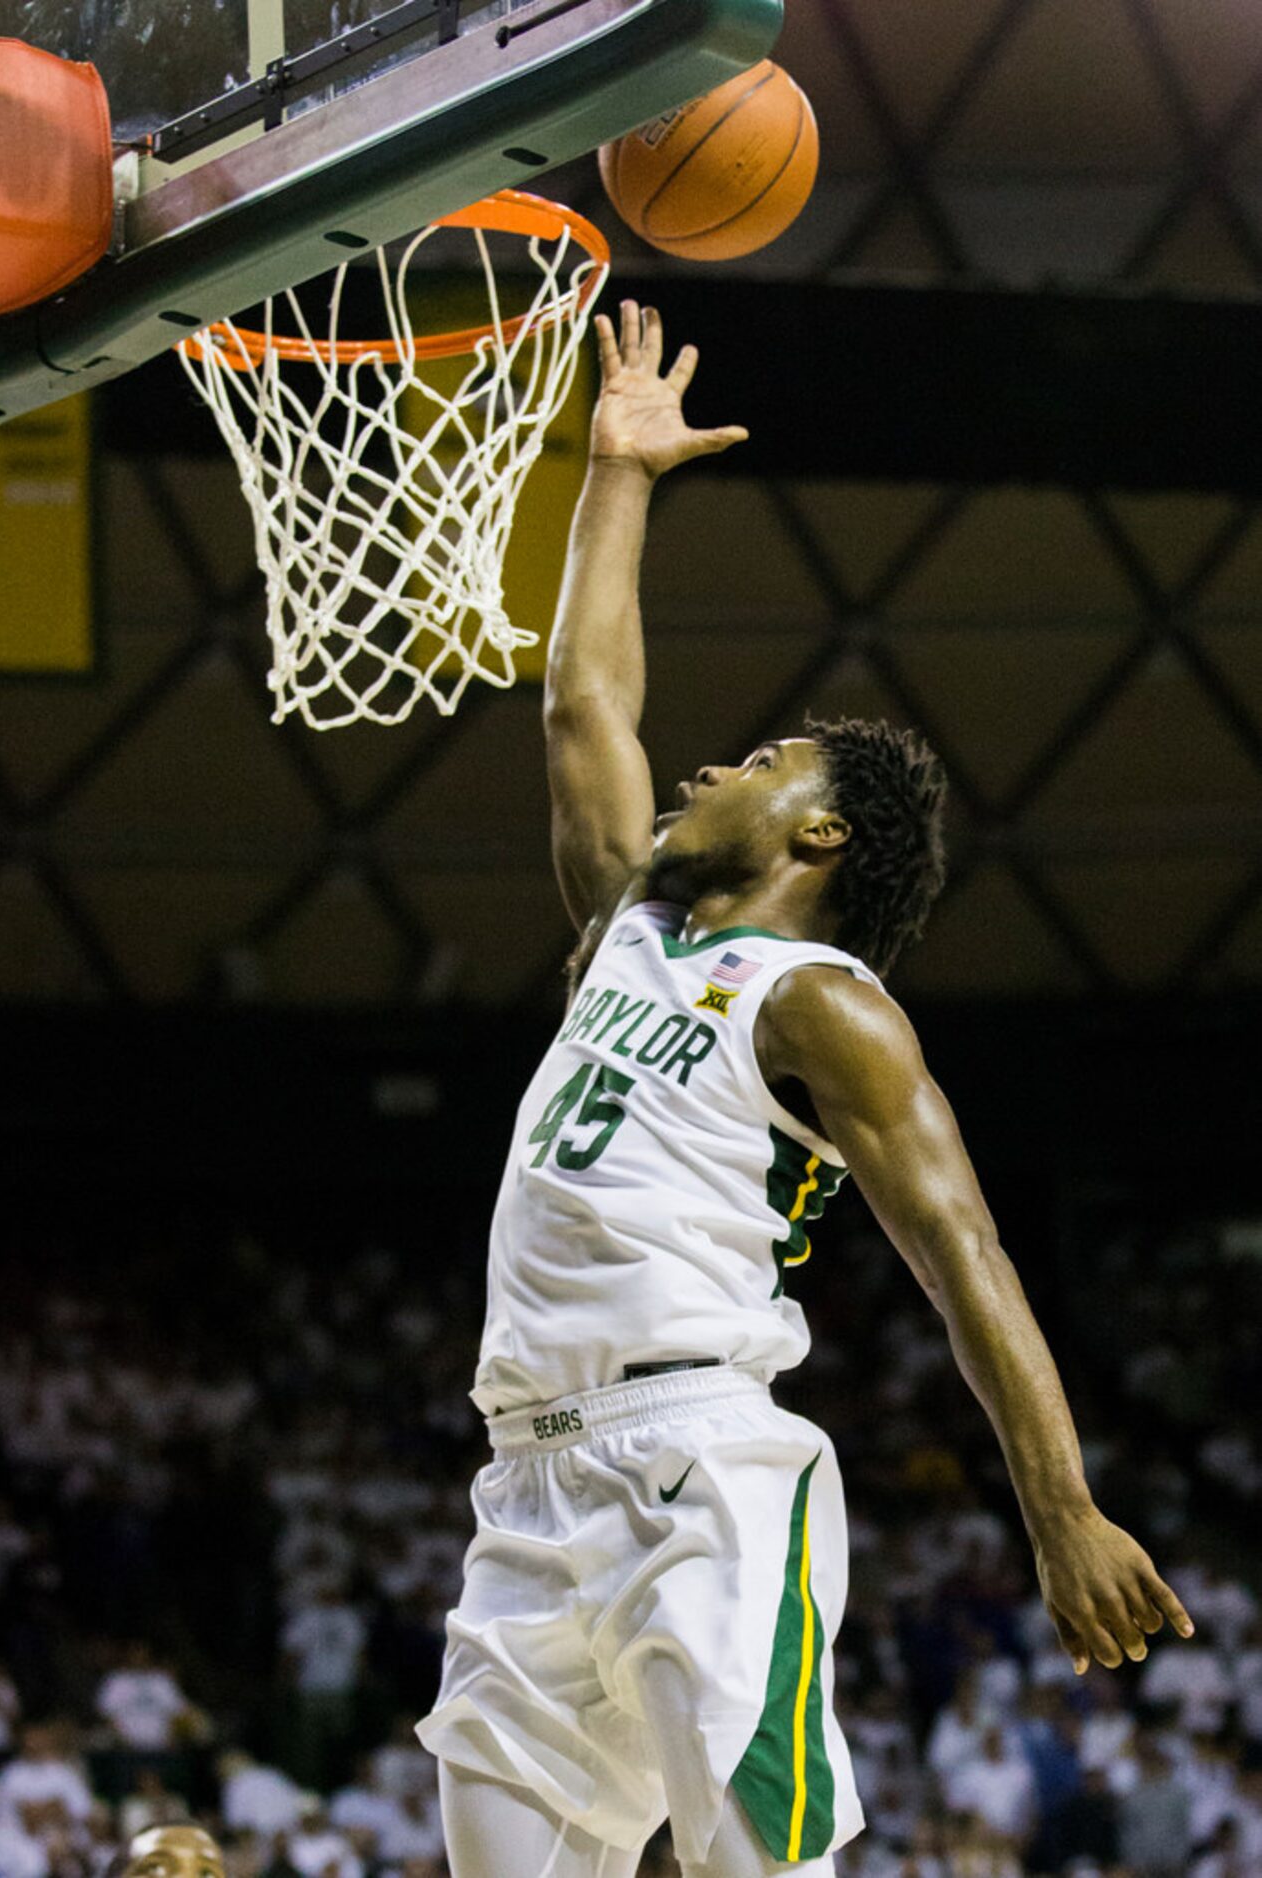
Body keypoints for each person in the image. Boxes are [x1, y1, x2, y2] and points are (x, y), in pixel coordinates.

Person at [415, 302, 1195, 1878]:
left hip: (696, 1473)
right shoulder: (626, 929)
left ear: (823, 836)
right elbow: (584, 704)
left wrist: (1061, 1508)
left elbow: (962, 1252)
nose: (711, 771)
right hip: (523, 1491)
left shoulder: (824, 1006)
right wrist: (617, 472)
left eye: (761, 761)